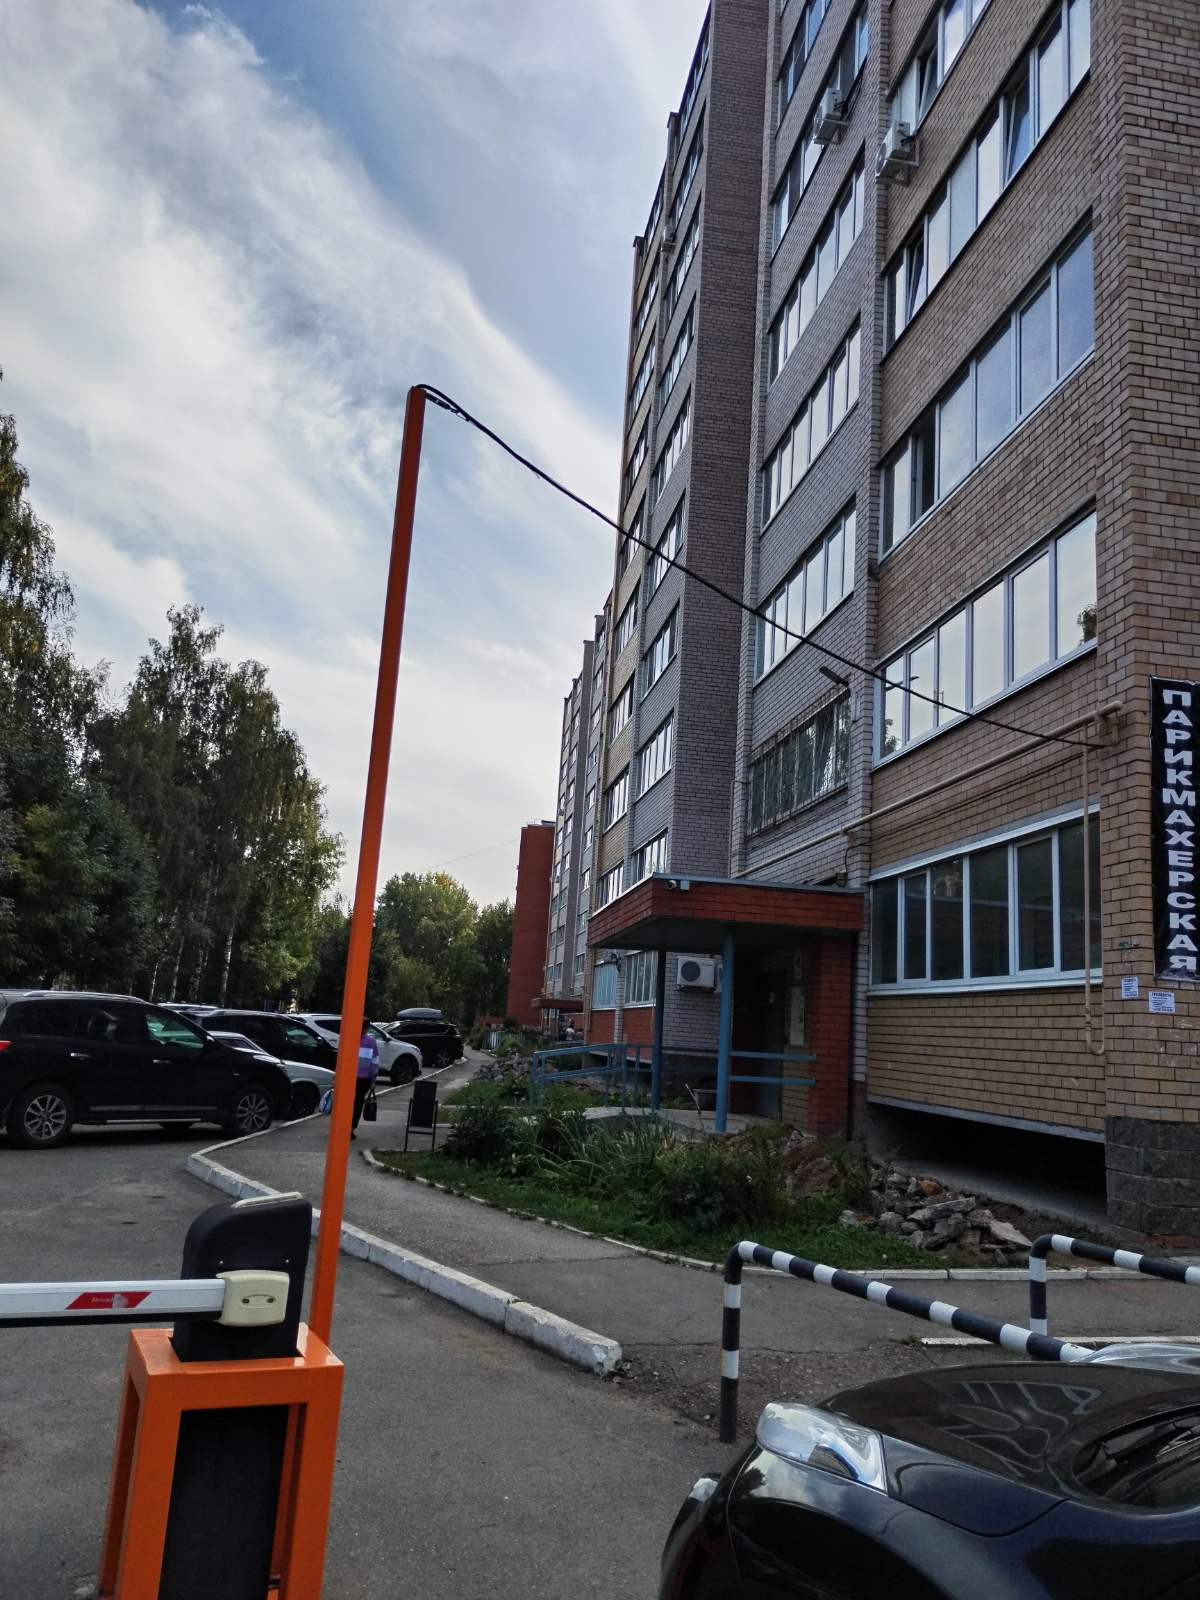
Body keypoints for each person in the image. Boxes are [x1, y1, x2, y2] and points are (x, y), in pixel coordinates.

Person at [351, 1025, 380, 1139]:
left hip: (348, 1078)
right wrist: (373, 1080)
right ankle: (351, 1129)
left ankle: (341, 1126)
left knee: (346, 1102)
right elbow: (374, 1063)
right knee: (358, 1103)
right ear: (367, 1028)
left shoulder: (348, 1039)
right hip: (364, 1079)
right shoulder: (371, 1042)